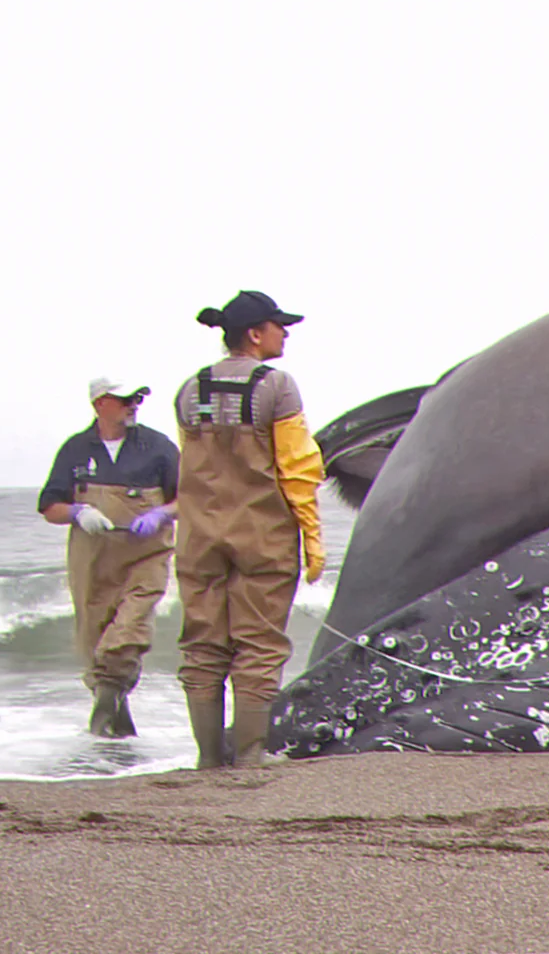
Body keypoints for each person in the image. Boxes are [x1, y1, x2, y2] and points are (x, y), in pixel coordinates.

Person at [173, 290, 325, 769]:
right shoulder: (277, 386)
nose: (286, 333)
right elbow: (297, 468)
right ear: (255, 334)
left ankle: (207, 758)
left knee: (202, 644)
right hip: (262, 533)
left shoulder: (188, 389)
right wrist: (312, 539)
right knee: (259, 644)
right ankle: (252, 755)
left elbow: (193, 465)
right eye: (279, 326)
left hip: (198, 535)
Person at [36, 376, 181, 738]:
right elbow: (49, 507)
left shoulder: (158, 447)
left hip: (145, 556)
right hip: (93, 559)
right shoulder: (75, 450)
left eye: (138, 398)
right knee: (94, 642)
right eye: (125, 398)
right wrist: (76, 513)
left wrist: (161, 514)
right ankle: (115, 722)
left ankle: (102, 717)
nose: (134, 404)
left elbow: (188, 498)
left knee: (128, 631)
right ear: (100, 403)